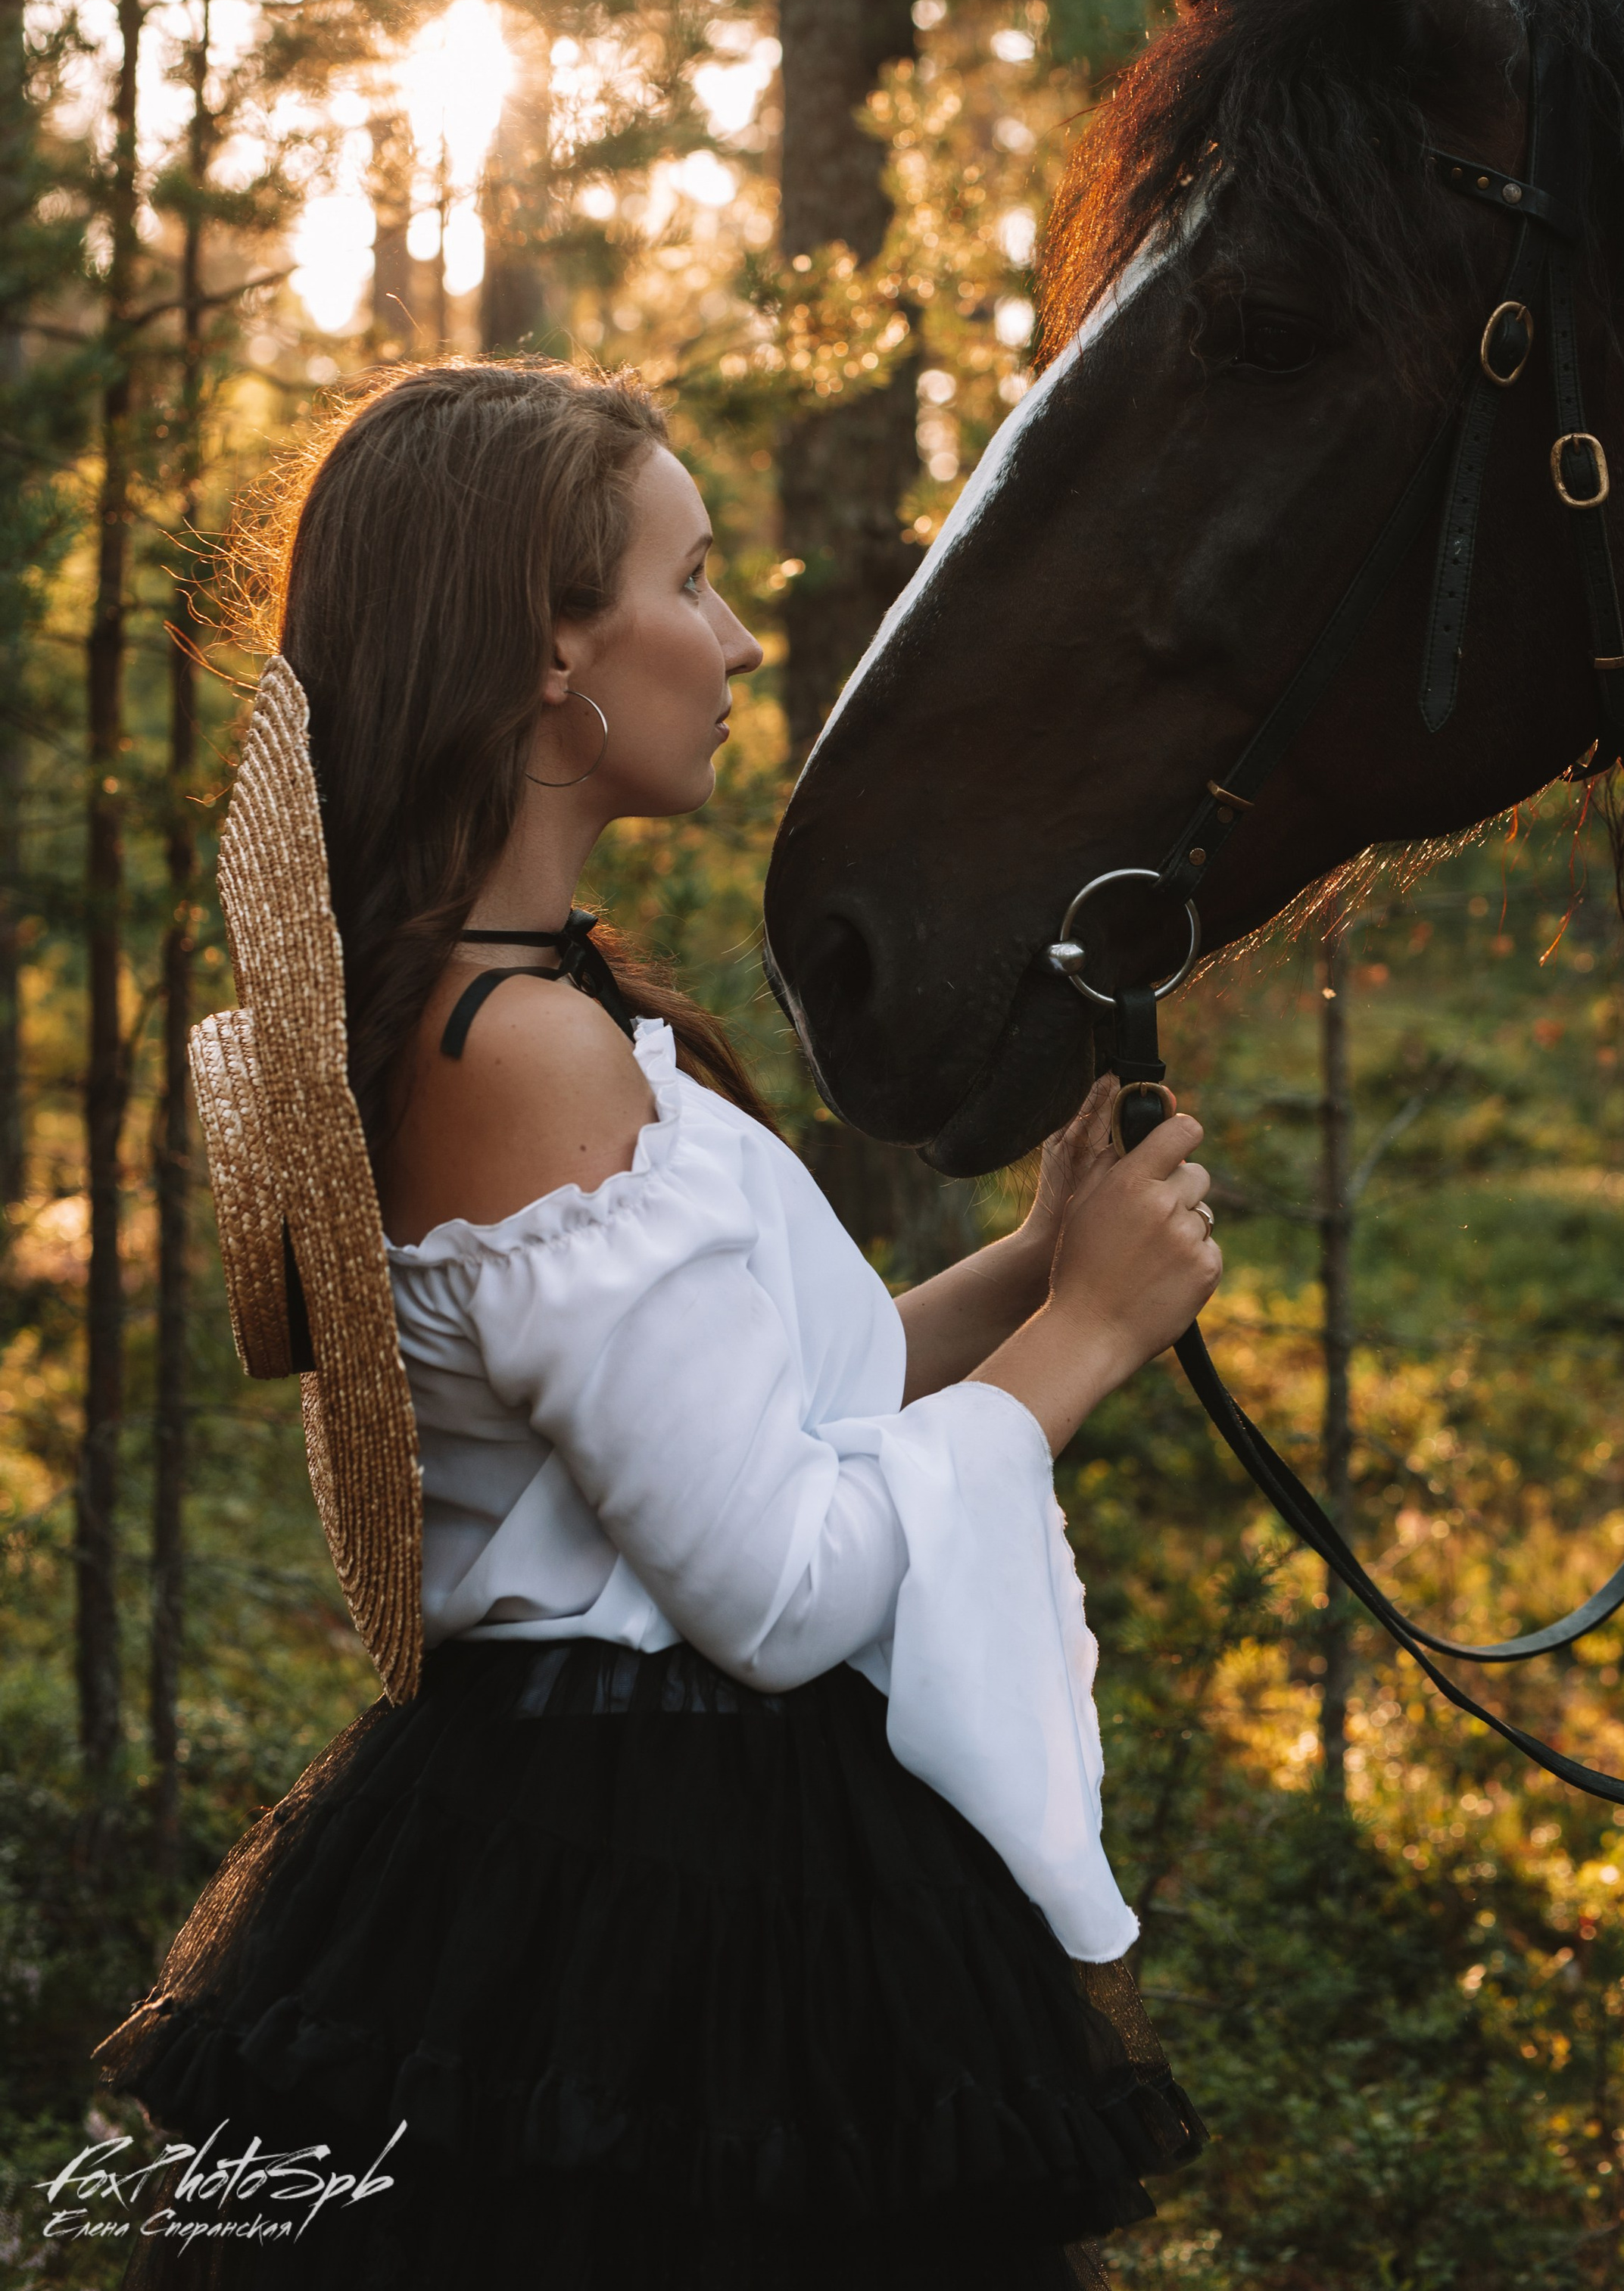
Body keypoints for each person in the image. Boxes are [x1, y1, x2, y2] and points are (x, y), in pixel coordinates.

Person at [98, 359, 1218, 2289]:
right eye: (688, 580)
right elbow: (774, 1588)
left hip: (641, 1818)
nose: (737, 639)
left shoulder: (532, 1011)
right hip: (657, 1884)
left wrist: (1037, 1264)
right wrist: (1088, 1342)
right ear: (552, 645)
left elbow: (757, 1418)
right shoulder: (520, 1056)